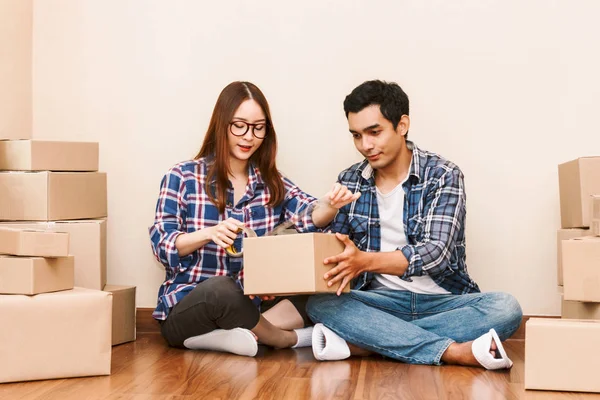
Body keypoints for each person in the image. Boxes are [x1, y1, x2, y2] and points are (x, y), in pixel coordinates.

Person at [306, 80, 522, 370]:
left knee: (506, 308)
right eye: (356, 135)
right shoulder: (349, 180)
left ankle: (371, 343)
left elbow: (435, 254)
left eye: (374, 132)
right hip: (379, 301)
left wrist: (365, 262)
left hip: (443, 302)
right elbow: (334, 255)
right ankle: (453, 351)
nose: (365, 145)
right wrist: (326, 214)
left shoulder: (443, 175)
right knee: (319, 304)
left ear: (402, 125)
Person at [149, 81, 359, 357]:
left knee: (325, 289)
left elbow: (310, 216)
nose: (249, 136)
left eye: (258, 128)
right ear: (221, 124)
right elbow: (162, 246)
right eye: (239, 125)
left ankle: (235, 335)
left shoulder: (271, 183)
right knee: (222, 290)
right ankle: (281, 339)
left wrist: (331, 205)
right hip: (194, 306)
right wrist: (208, 233)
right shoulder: (182, 176)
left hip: (254, 306)